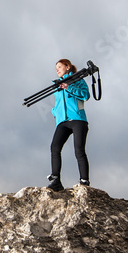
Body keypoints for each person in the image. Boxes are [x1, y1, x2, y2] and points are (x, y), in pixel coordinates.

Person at [46, 58, 91, 191]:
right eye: (56, 68)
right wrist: (54, 111)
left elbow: (85, 95)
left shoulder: (78, 80)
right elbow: (57, 104)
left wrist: (69, 87)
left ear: (68, 66)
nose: (57, 69)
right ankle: (56, 180)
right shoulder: (57, 85)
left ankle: (84, 181)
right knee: (55, 147)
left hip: (78, 119)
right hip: (62, 121)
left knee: (79, 149)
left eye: (59, 66)